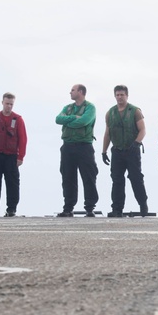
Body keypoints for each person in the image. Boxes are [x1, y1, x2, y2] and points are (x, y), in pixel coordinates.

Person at [101, 85, 148, 217]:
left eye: (122, 94)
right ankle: (117, 208)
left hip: (132, 150)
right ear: (115, 96)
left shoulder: (135, 111)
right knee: (117, 180)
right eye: (117, 95)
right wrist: (103, 151)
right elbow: (107, 134)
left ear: (127, 96)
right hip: (117, 151)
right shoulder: (110, 113)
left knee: (136, 178)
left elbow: (142, 129)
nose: (120, 97)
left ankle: (143, 205)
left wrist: (137, 143)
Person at [55, 84, 98, 217]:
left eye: (73, 90)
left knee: (89, 176)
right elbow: (58, 119)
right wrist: (74, 118)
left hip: (84, 146)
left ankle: (90, 208)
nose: (70, 92)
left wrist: (68, 121)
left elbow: (84, 121)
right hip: (68, 146)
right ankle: (68, 208)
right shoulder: (67, 107)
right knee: (67, 177)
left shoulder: (90, 107)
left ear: (80, 92)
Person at [0, 92, 27, 217]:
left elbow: (23, 139)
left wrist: (20, 156)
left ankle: (11, 209)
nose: (9, 106)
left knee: (12, 183)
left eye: (11, 104)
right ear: (2, 102)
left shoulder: (18, 119)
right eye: (7, 103)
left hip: (11, 156)